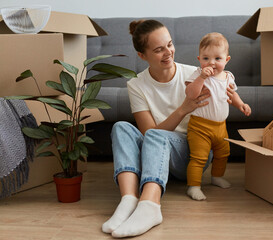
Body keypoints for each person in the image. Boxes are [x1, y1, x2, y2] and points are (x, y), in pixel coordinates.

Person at [101, 19, 213, 238]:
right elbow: (147, 132)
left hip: (191, 156)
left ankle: (150, 205)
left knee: (155, 135)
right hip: (155, 154)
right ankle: (129, 199)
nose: (168, 53)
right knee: (121, 127)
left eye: (170, 45)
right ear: (142, 56)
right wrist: (183, 109)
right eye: (159, 49)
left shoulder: (194, 76)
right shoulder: (136, 84)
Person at [185, 32, 251, 201]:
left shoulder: (228, 76)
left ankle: (216, 177)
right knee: (199, 157)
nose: (211, 63)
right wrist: (201, 78)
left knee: (223, 154)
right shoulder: (198, 75)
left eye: (217, 59)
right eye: (206, 58)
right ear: (199, 59)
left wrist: (241, 104)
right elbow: (190, 94)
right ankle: (193, 186)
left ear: (226, 60)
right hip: (199, 126)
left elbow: (232, 94)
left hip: (221, 126)